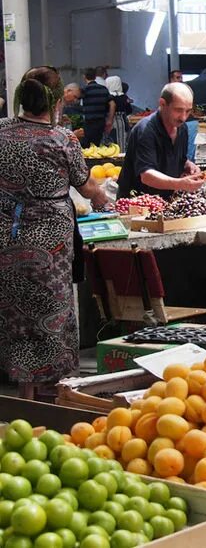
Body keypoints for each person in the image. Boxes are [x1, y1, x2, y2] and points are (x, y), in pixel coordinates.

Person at [0, 66, 108, 397]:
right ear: (59, 99)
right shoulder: (62, 139)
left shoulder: (2, 132)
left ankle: (24, 391)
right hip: (50, 243)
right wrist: (104, 197)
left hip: (7, 235)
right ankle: (55, 394)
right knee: (52, 311)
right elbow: (87, 187)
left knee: (16, 311)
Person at [117, 83, 205, 198]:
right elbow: (147, 176)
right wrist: (180, 184)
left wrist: (187, 164)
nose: (183, 117)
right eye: (178, 110)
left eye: (188, 111)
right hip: (137, 203)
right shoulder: (146, 130)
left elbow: (176, 157)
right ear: (162, 104)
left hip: (165, 201)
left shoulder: (182, 128)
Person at [80, 67, 112, 147]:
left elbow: (78, 102)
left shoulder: (85, 90)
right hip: (101, 122)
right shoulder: (103, 89)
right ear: (95, 77)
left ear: (84, 77)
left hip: (89, 122)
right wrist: (110, 120)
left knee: (87, 146)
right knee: (98, 144)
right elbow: (112, 103)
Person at [105, 76, 132, 149]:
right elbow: (129, 110)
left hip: (108, 120)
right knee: (121, 141)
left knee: (108, 142)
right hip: (121, 120)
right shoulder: (124, 97)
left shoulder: (107, 96)